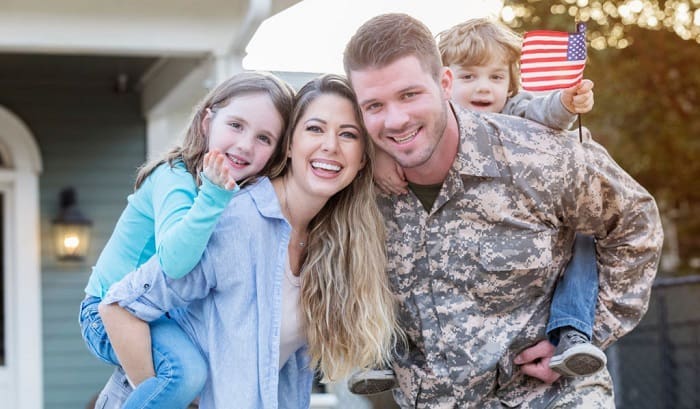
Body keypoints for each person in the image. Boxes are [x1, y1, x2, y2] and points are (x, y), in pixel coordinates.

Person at [343, 13, 663, 407]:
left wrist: (584, 335)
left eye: (410, 95)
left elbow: (635, 223)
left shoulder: (539, 155)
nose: (396, 120)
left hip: (551, 397)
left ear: (444, 83)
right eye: (375, 105)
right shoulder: (353, 184)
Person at [96, 74, 401, 409]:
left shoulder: (330, 240)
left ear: (362, 158)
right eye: (315, 129)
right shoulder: (237, 221)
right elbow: (118, 306)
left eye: (348, 134)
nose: (331, 145)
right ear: (289, 145)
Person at [79, 71, 296, 408]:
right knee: (185, 373)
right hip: (110, 311)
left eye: (264, 138)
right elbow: (175, 262)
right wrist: (212, 196)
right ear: (207, 123)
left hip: (161, 317)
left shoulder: (245, 201)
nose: (245, 144)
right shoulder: (174, 176)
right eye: (236, 125)